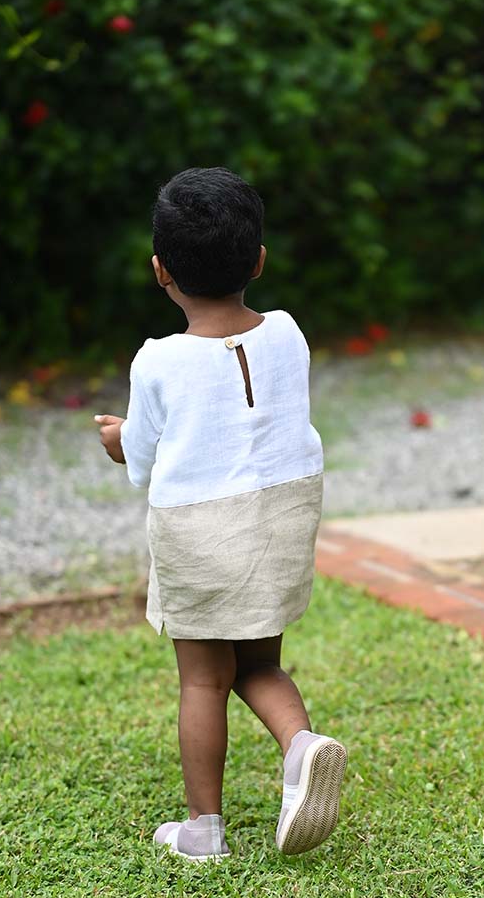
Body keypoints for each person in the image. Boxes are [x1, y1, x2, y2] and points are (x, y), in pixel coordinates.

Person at [94, 167, 346, 861]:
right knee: (259, 663)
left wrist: (118, 438)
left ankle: (202, 831)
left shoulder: (158, 362)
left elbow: (141, 460)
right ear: (259, 261)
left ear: (160, 270)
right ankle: (301, 746)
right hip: (281, 523)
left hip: (202, 532)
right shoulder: (289, 333)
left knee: (204, 677)